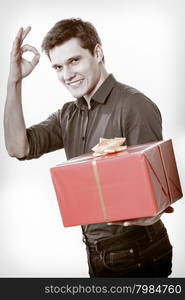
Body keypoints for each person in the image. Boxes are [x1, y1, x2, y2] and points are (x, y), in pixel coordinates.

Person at [4, 18, 174, 277]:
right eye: (58, 67)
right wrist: (14, 81)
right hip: (97, 253)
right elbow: (18, 148)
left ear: (97, 52)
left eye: (74, 61)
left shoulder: (134, 106)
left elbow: (156, 194)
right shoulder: (68, 115)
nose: (66, 75)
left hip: (137, 252)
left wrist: (150, 208)